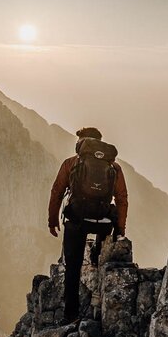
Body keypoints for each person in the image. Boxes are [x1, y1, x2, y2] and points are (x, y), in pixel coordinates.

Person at [48, 127, 128, 324]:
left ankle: (71, 315)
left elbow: (57, 191)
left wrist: (52, 220)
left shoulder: (71, 163)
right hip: (103, 223)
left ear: (81, 143)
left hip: (77, 221)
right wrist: (120, 229)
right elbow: (121, 198)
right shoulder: (114, 167)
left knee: (73, 267)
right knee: (103, 262)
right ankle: (100, 303)